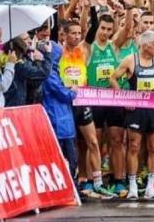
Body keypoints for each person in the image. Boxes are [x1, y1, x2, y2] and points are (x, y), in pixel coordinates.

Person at [109, 30, 154, 200]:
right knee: (134, 146)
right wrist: (123, 99)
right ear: (145, 45)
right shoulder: (131, 60)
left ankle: (150, 186)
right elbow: (113, 78)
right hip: (136, 110)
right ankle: (133, 186)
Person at [59, 19, 107, 199]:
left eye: (79, 33)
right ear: (64, 35)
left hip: (83, 102)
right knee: (72, 145)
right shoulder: (58, 52)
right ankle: (74, 180)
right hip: (66, 103)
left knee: (92, 142)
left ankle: (98, 183)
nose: (77, 36)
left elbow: (91, 31)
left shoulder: (84, 50)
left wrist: (89, 7)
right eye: (73, 33)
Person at [87, 14, 129, 197]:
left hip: (113, 99)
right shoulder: (89, 47)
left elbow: (127, 29)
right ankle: (90, 181)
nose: (105, 32)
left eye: (109, 29)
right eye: (102, 28)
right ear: (96, 28)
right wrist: (88, 8)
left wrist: (129, 9)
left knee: (117, 140)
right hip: (94, 99)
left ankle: (117, 180)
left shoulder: (114, 46)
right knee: (93, 142)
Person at [43, 42, 79, 184]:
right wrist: (73, 92)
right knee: (68, 158)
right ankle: (70, 185)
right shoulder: (50, 74)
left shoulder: (53, 72)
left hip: (61, 119)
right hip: (59, 120)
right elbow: (63, 94)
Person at [4, 35, 53, 107]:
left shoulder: (20, 60)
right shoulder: (18, 65)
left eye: (29, 38)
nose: (30, 41)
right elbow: (43, 73)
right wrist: (47, 54)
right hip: (14, 105)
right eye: (26, 39)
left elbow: (36, 81)